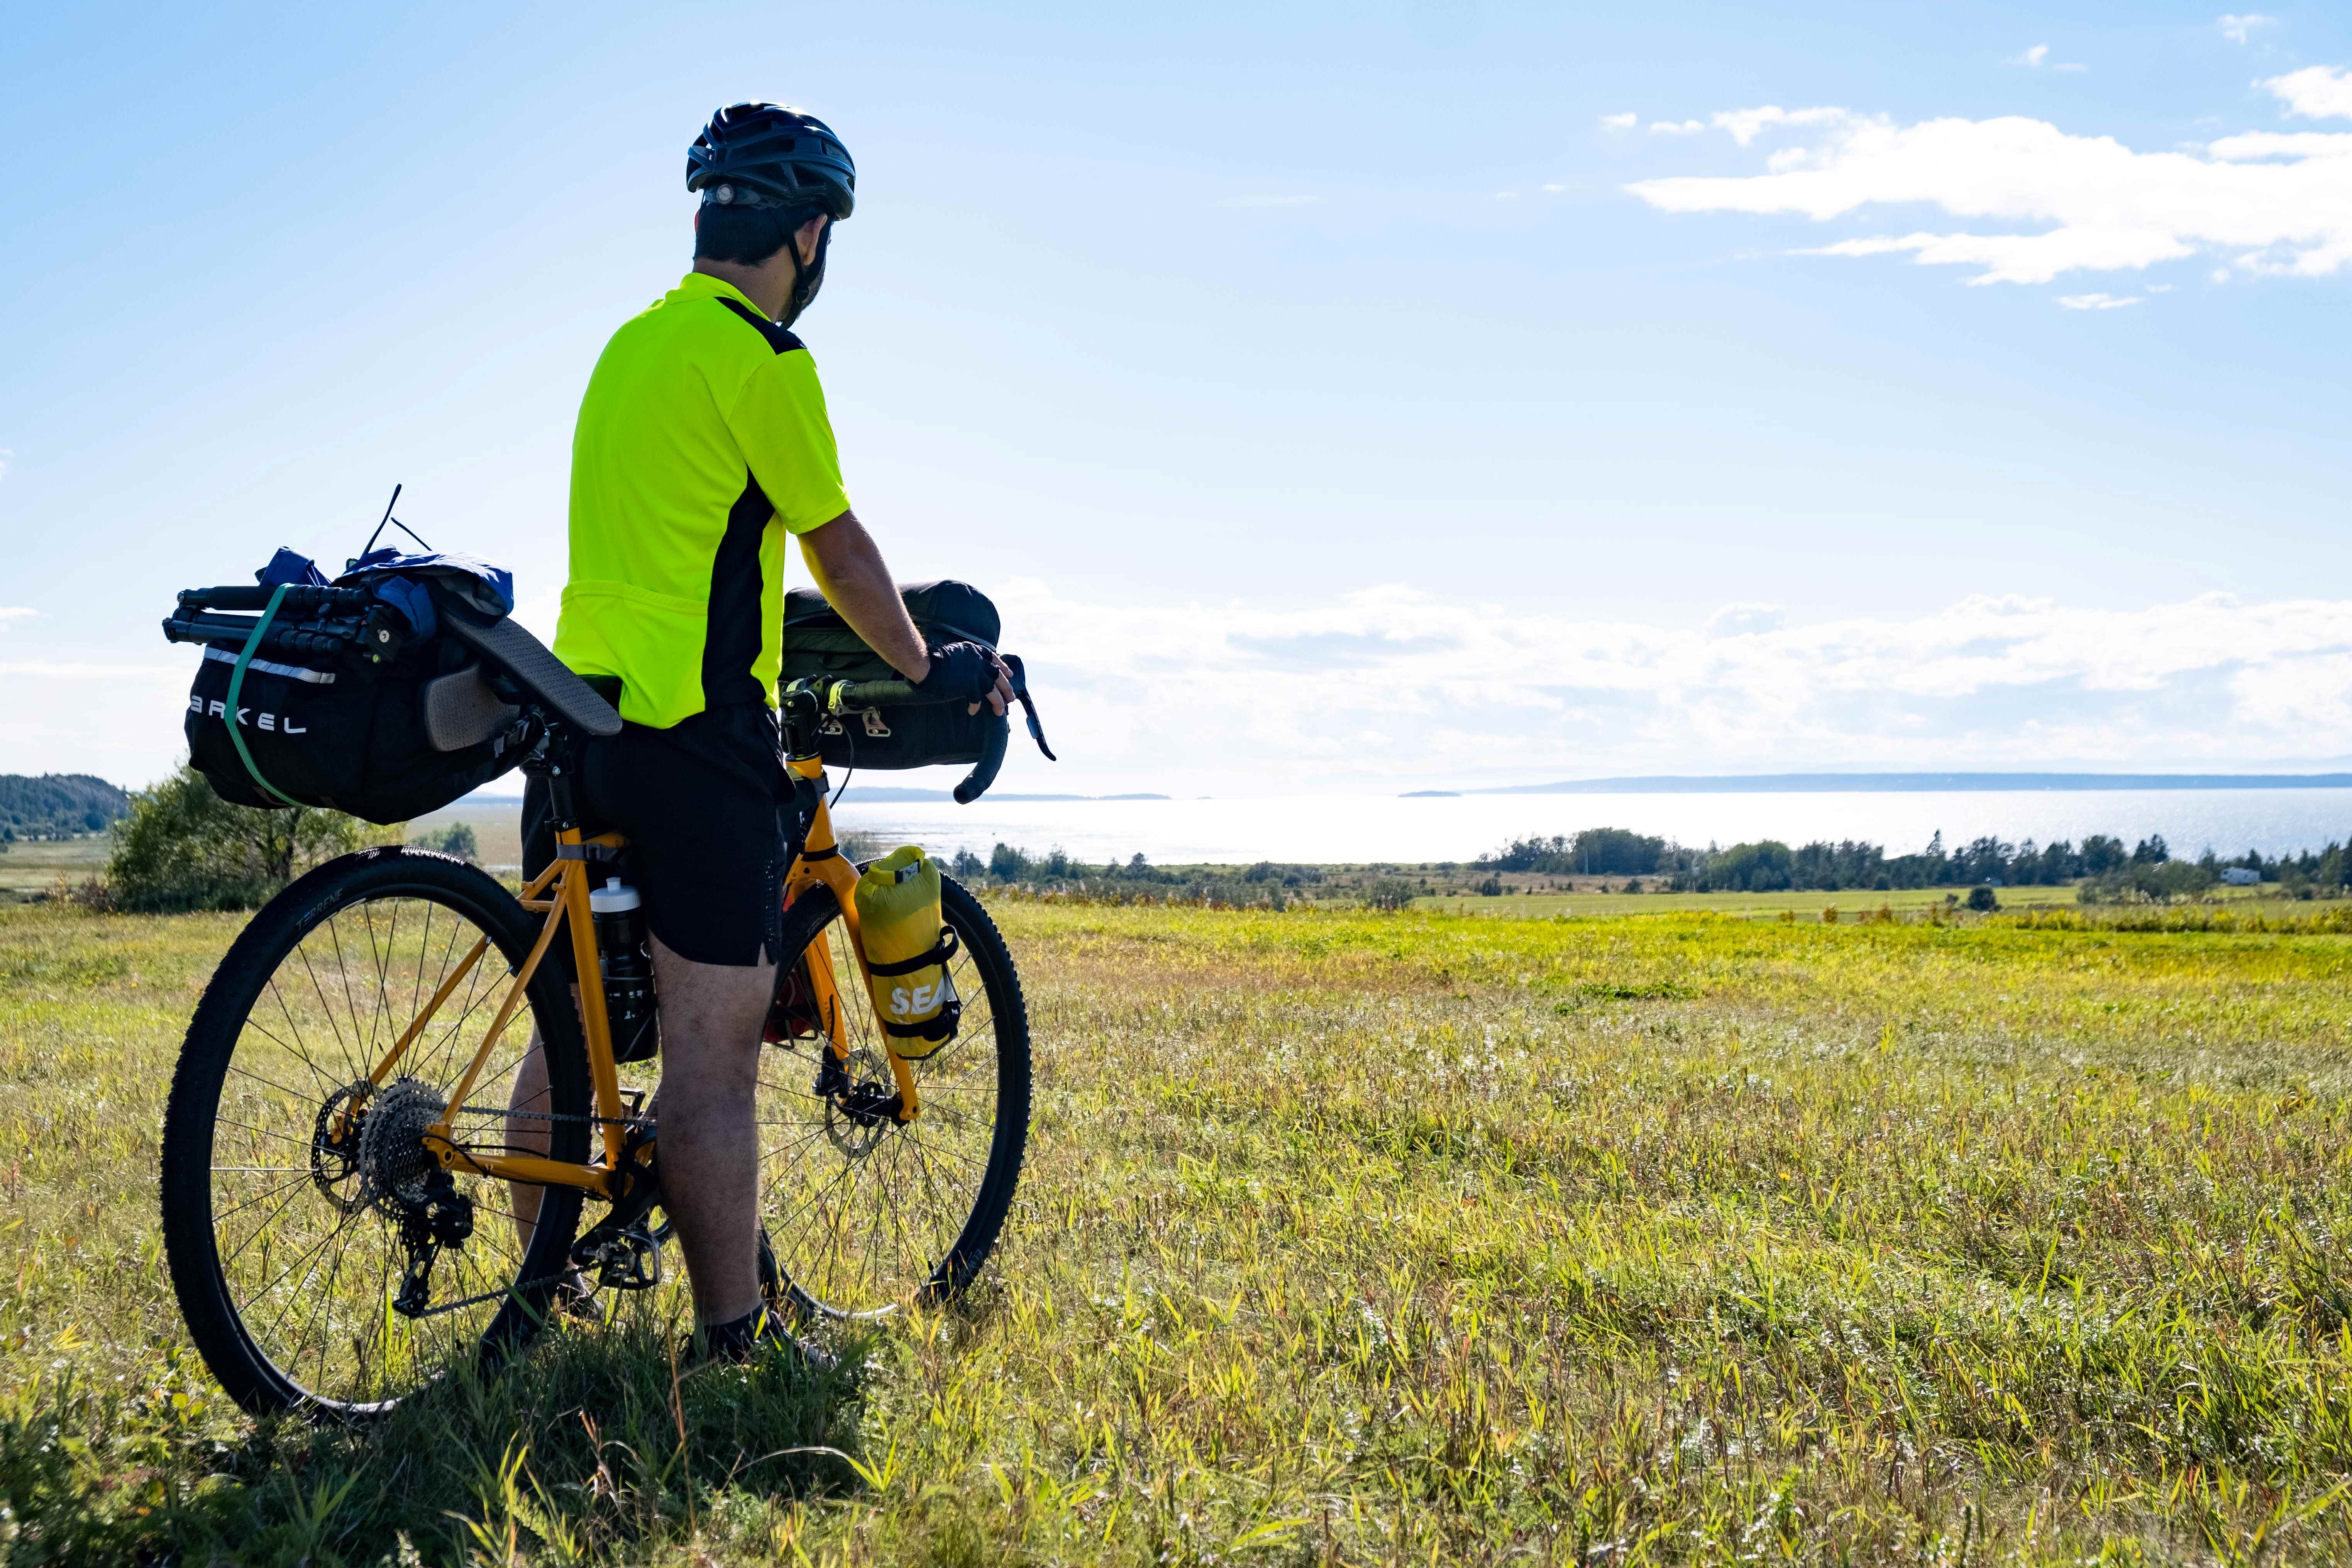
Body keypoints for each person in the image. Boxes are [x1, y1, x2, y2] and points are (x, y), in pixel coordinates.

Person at [510, 102, 1011, 1362]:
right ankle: (733, 1338)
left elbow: (682, 540)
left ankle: (539, 1292)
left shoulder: (629, 348)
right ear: (806, 234)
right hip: (698, 741)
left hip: (578, 725)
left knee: (569, 1040)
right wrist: (932, 662)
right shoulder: (765, 360)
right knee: (714, 1061)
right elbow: (837, 548)